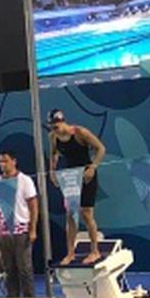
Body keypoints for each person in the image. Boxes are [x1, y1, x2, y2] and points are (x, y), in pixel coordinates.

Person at [47, 110, 105, 265]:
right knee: (71, 215)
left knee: (86, 214)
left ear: (63, 121)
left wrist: (93, 167)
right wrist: (52, 172)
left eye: (57, 126)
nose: (55, 130)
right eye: (52, 127)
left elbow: (100, 149)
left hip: (86, 176)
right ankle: (70, 253)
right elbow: (53, 154)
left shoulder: (80, 132)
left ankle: (95, 251)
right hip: (71, 177)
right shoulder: (53, 137)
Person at [0, 147, 39, 298]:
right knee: (9, 269)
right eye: (0, 162)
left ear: (14, 162)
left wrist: (32, 229)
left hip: (21, 230)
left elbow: (33, 206)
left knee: (24, 268)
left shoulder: (25, 180)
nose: (3, 164)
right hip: (4, 232)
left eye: (6, 161)